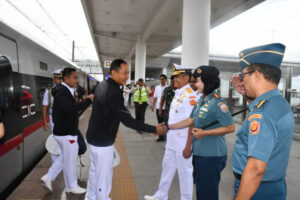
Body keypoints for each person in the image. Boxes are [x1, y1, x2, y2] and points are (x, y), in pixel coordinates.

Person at [85, 59, 166, 200]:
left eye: (128, 73)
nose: (127, 76)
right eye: (125, 73)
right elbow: (128, 121)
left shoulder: (103, 85)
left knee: (94, 173)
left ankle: (91, 197)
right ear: (114, 72)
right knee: (103, 178)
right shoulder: (113, 92)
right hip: (102, 142)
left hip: (93, 138)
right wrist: (154, 128)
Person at [231, 43, 294, 200]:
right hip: (274, 184)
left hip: (256, 188)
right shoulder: (279, 103)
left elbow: (256, 169)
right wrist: (246, 95)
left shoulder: (262, 113)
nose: (242, 81)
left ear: (257, 75)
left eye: (243, 76)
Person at [164, 66, 235, 200]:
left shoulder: (217, 103)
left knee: (207, 192)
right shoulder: (202, 100)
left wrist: (204, 133)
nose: (195, 84)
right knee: (202, 190)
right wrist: (169, 127)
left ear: (208, 81)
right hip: (200, 153)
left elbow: (230, 127)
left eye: (198, 81)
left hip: (212, 155)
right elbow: (190, 120)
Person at [144, 64, 201, 200]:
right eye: (174, 77)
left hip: (182, 142)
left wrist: (188, 145)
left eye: (177, 77)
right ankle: (161, 195)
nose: (174, 79)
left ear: (186, 77)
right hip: (171, 140)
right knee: (167, 168)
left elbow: (191, 122)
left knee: (185, 172)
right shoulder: (178, 93)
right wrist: (163, 127)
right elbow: (175, 118)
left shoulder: (190, 97)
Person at [52, 67, 94, 194]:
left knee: (67, 160)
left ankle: (70, 185)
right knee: (70, 162)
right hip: (66, 133)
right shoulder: (62, 91)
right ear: (66, 78)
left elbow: (70, 110)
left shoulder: (63, 90)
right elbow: (71, 109)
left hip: (65, 131)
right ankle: (72, 186)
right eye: (75, 77)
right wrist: (88, 100)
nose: (77, 80)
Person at [40, 69, 63, 192]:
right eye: (58, 78)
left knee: (65, 146)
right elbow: (44, 107)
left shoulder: (68, 89)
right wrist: (45, 122)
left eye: (61, 78)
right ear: (54, 79)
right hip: (54, 119)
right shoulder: (49, 92)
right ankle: (54, 170)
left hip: (64, 120)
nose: (59, 81)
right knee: (56, 145)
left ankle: (53, 171)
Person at [152, 74, 168, 142]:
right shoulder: (157, 87)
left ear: (166, 80)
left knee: (166, 123)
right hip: (158, 108)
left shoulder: (168, 87)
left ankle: (166, 137)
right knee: (160, 123)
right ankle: (161, 137)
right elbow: (155, 97)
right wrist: (153, 105)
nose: (162, 80)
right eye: (161, 79)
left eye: (163, 79)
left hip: (166, 108)